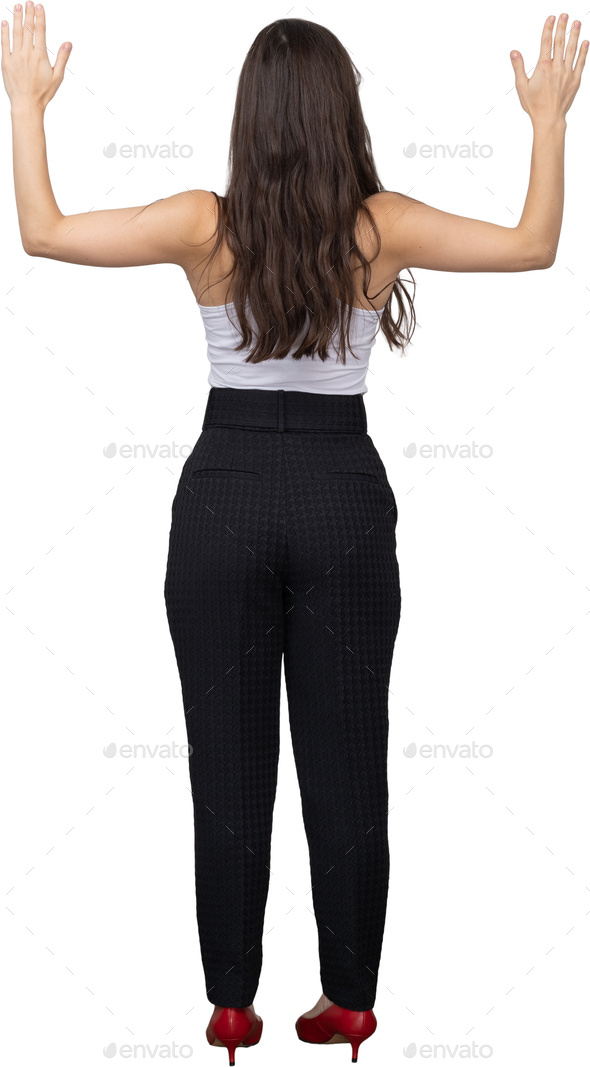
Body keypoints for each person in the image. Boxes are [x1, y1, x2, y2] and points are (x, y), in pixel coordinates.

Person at [3, 8, 586, 1064]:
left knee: (225, 768)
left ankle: (231, 1006)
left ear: (249, 118)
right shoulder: (380, 226)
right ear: (339, 116)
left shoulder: (200, 223)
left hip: (221, 496)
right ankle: (349, 1002)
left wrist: (25, 106)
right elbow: (532, 245)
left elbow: (41, 230)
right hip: (342, 498)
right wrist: (545, 121)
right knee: (346, 760)